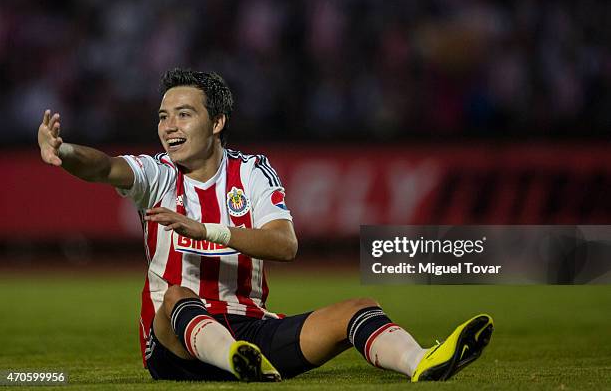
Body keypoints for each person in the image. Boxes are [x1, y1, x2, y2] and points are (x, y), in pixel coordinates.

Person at [37, 68, 493, 382]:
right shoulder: (156, 174)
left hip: (251, 330)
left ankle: (424, 362)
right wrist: (66, 152)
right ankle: (236, 362)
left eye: (183, 114)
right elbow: (104, 167)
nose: (168, 126)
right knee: (178, 296)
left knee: (358, 307)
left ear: (217, 122)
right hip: (173, 345)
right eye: (162, 115)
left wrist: (207, 230)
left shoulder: (251, 172)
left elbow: (285, 244)